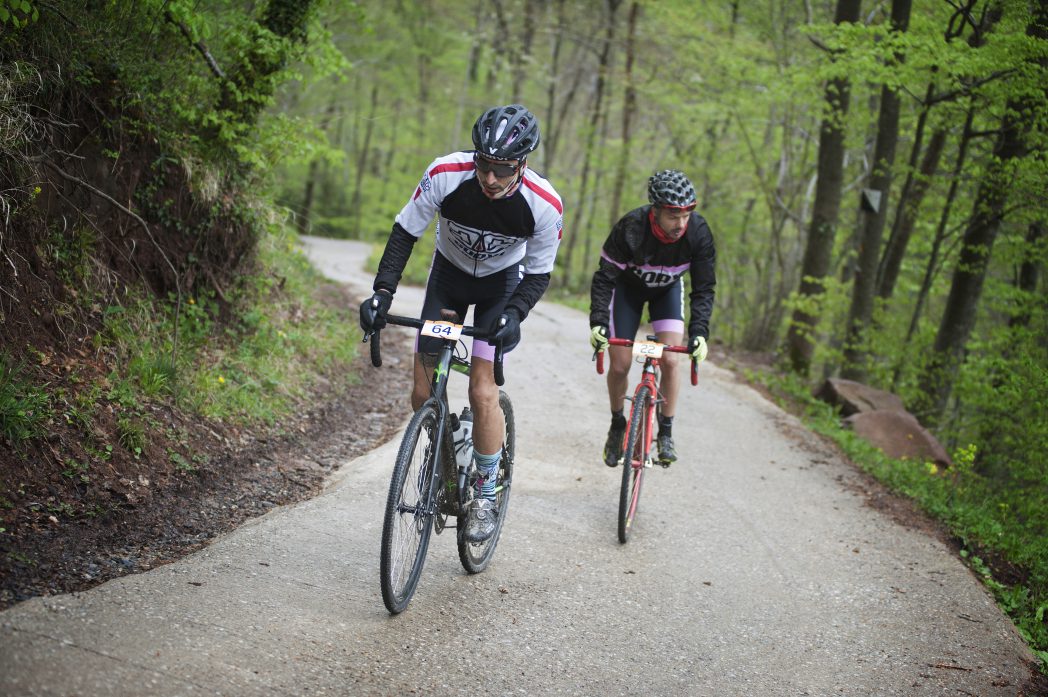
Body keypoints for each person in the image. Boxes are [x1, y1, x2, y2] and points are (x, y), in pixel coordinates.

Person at [359, 104, 564, 542]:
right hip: (447, 279)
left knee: (481, 388)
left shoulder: (544, 205)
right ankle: (444, 446)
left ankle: (486, 492)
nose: (490, 177)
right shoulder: (445, 174)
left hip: (500, 288)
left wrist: (515, 314)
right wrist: (382, 293)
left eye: (503, 169)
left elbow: (541, 273)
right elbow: (404, 234)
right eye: (484, 165)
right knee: (421, 390)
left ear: (522, 164)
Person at [588, 169, 715, 467]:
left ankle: (666, 430)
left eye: (686, 214)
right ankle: (618, 423)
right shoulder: (631, 227)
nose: (680, 224)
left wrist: (699, 333)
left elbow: (704, 288)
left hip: (667, 293)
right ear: (655, 210)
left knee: (671, 359)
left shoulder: (698, 233)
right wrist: (598, 323)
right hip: (627, 291)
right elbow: (605, 278)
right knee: (619, 364)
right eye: (673, 215)